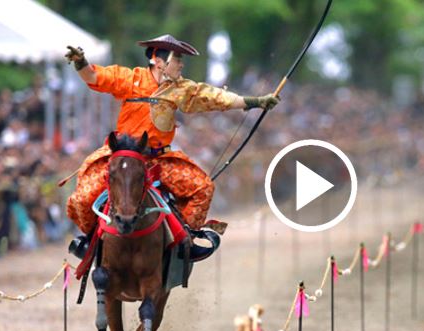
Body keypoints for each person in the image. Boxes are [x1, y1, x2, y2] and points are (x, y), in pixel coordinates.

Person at [64, 34, 279, 261]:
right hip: (122, 158)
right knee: (82, 197)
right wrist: (80, 62)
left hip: (159, 160)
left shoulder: (181, 88)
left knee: (202, 188)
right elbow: (95, 76)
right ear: (159, 62)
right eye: (177, 59)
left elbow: (216, 97)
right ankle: (90, 241)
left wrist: (255, 102)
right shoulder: (129, 78)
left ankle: (186, 238)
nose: (181, 64)